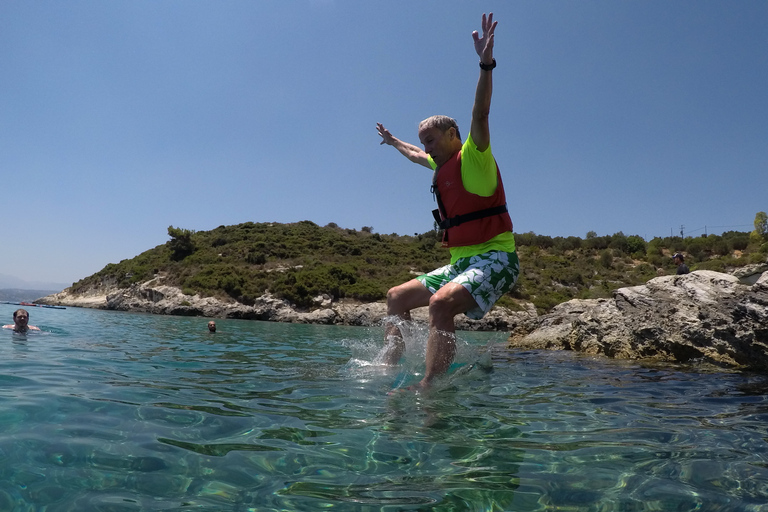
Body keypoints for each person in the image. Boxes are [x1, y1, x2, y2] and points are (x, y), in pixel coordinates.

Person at [376, 12, 519, 389]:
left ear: (453, 134)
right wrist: (393, 142)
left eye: (432, 140)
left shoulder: (474, 156)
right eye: (424, 142)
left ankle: (430, 383)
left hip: (496, 258)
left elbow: (481, 112)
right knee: (396, 297)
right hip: (460, 262)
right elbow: (413, 154)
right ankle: (390, 364)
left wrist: (486, 64)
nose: (427, 148)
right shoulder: (439, 165)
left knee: (440, 304)